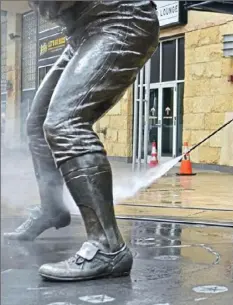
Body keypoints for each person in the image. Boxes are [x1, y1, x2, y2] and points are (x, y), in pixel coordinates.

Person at [4, 1, 159, 281]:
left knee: (66, 123)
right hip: (81, 33)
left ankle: (108, 246)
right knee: (38, 125)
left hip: (120, 22)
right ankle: (52, 209)